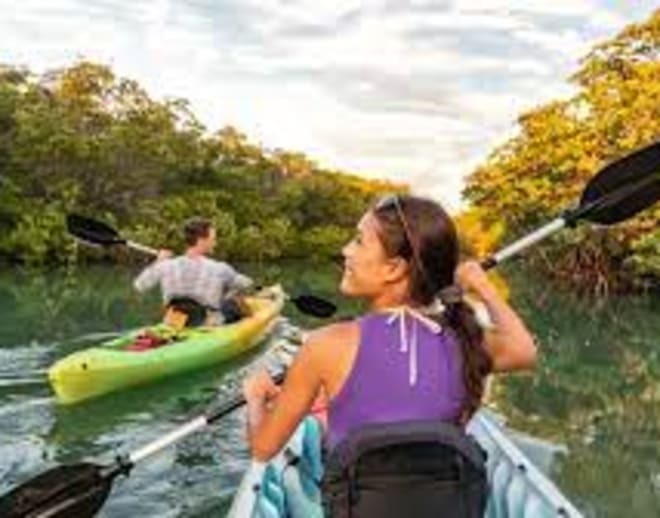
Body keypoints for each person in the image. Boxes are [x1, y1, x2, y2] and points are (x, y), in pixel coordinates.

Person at [242, 195, 537, 517]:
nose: (345, 251)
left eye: (358, 241)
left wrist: (257, 399)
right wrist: (483, 286)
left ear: (394, 268)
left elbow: (263, 448)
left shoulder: (325, 345)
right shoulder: (464, 339)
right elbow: (524, 350)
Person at [133, 217, 253, 325]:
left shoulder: (166, 265)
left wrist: (158, 262)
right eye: (213, 239)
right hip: (207, 324)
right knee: (232, 304)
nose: (215, 243)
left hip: (175, 322)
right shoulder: (219, 268)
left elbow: (139, 285)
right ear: (201, 240)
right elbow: (246, 283)